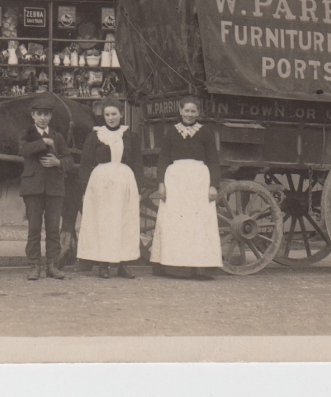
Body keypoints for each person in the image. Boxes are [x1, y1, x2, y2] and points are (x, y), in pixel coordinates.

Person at [150, 95, 223, 280]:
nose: (189, 114)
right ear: (180, 111)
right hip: (176, 181)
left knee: (198, 223)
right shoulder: (171, 132)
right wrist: (161, 184)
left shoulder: (205, 132)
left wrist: (213, 185)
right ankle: (175, 268)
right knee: (176, 222)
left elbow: (214, 160)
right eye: (186, 111)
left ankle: (201, 268)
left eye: (193, 111)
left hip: (199, 181)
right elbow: (163, 158)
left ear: (198, 113)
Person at [76, 98, 143, 279]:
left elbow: (137, 162)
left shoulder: (130, 136)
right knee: (104, 222)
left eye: (114, 114)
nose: (111, 118)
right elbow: (85, 163)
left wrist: (139, 188)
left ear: (121, 114)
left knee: (125, 222)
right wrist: (85, 190)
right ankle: (103, 265)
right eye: (107, 115)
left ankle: (123, 265)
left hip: (124, 181)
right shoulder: (95, 135)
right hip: (101, 183)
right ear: (103, 116)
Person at [18, 97, 74, 280]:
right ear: (33, 116)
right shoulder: (26, 134)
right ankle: (34, 266)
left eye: (46, 114)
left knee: (52, 230)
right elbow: (24, 151)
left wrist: (57, 162)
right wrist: (44, 144)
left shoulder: (58, 136)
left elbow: (69, 160)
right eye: (39, 114)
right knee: (34, 229)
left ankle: (52, 265)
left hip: (54, 189)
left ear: (50, 117)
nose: (42, 118)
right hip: (33, 189)